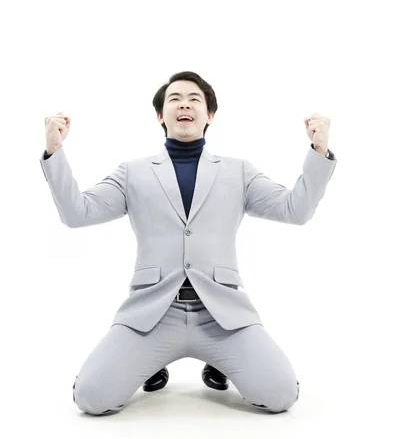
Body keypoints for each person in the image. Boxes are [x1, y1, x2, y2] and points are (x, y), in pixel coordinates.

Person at [40, 70, 337, 415]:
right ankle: (151, 363)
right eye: (174, 99)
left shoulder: (238, 171)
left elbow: (295, 210)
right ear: (160, 116)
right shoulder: (132, 172)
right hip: (152, 314)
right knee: (91, 398)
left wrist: (319, 149)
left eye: (194, 99)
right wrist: (54, 151)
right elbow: (78, 213)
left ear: (210, 115)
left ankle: (222, 362)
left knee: (281, 394)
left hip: (222, 315)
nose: (184, 104)